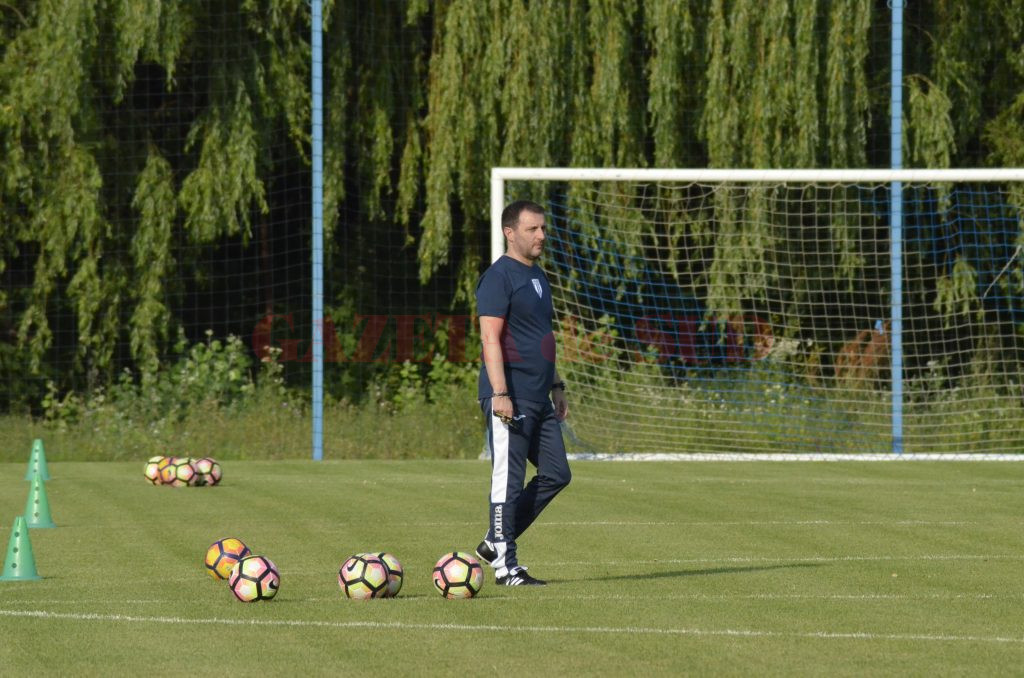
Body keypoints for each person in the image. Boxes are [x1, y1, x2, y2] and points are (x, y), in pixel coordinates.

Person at [474, 199, 571, 586]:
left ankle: (495, 539)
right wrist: (500, 393)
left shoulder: (538, 276)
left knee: (557, 474)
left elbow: (542, 338)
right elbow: (489, 338)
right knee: (508, 482)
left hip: (540, 396)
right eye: (533, 229)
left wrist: (557, 384)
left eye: (543, 228)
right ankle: (505, 566)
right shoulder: (499, 278)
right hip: (509, 396)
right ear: (509, 232)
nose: (541, 236)